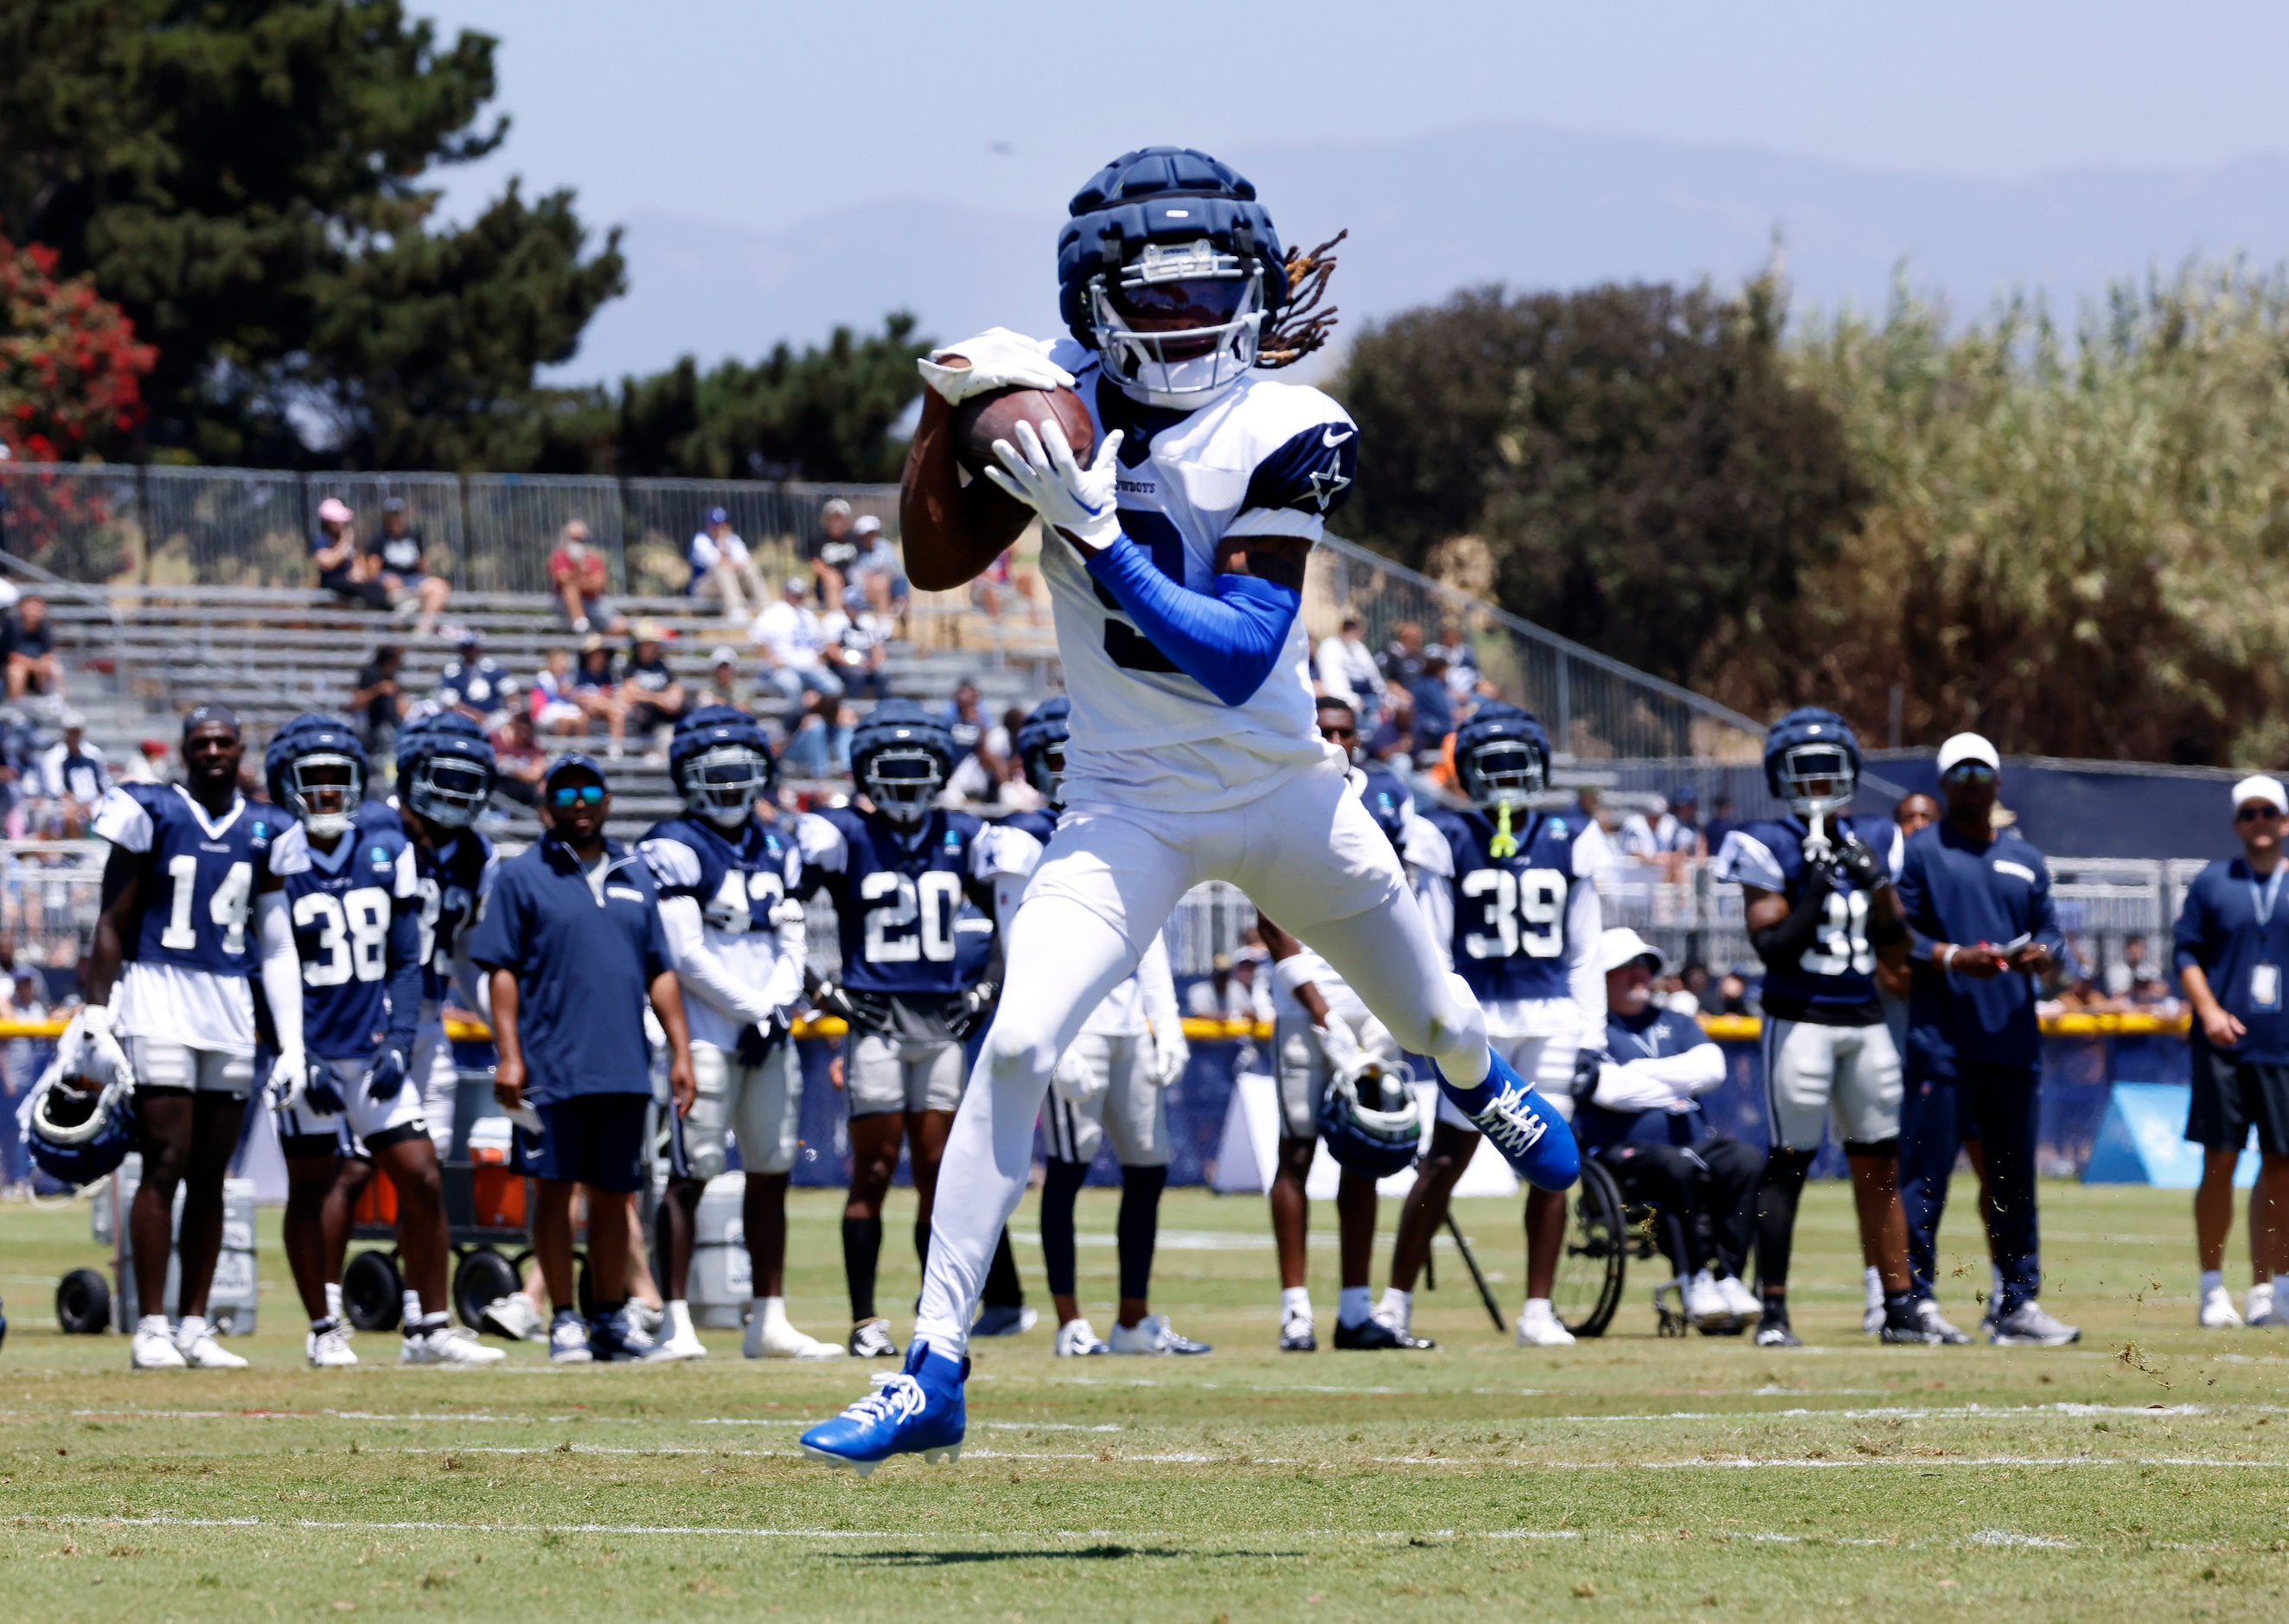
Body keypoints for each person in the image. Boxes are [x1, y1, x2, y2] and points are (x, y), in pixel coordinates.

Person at [800, 149, 1576, 1474]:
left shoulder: (1290, 424)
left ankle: (1477, 1077)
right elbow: (932, 565)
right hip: (1123, 805)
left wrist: (1095, 538)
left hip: (1282, 793)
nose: (1175, 322)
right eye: (1146, 300)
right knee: (1013, 1044)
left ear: (1254, 289)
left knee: (1439, 1015)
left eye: (1205, 291)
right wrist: (945, 414)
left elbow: (1233, 649)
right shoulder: (1053, 393)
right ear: (1091, 301)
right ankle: (932, 1366)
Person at [261, 715, 500, 1369]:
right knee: (317, 1184)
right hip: (312, 1047)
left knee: (421, 1176)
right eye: (315, 782)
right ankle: (323, 1325)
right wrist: (290, 1050)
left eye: (340, 781)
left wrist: (397, 1039)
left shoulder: (387, 845)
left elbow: (407, 958)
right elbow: (271, 960)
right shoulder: (278, 852)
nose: (329, 793)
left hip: (378, 1041)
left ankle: (427, 1327)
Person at [796, 702, 1027, 1359]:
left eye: (914, 772)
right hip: (873, 1019)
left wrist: (986, 988)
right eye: (889, 773)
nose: (902, 786)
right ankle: (864, 1318)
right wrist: (820, 988)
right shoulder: (844, 834)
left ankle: (935, 1317)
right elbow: (784, 902)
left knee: (937, 1174)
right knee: (869, 1172)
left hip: (941, 1021)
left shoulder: (962, 833)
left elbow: (1015, 919)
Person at [1378, 704, 1603, 1349]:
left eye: (1514, 759)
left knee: (1553, 1164)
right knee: (1447, 1159)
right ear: (1467, 770)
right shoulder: (1443, 833)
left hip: (1552, 1017)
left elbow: (1585, 950)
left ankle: (1538, 1308)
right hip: (1479, 1020)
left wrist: (1590, 1035)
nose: (1503, 773)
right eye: (1491, 761)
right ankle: (1395, 1303)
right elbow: (1434, 944)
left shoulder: (1571, 834)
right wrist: (1447, 1022)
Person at [87, 704, 300, 1370]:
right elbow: (111, 920)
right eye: (201, 741)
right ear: (185, 750)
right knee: (165, 1159)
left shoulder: (267, 826)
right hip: (159, 991)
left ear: (243, 749)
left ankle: (195, 1325)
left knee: (213, 1172)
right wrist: (99, 1010)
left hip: (230, 1001)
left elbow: (276, 941)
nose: (213, 750)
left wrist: (291, 1041)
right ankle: (151, 1323)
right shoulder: (151, 810)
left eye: (224, 741)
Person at [1710, 709, 1931, 1348]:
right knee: (1788, 1166)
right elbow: (1773, 946)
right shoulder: (1765, 841)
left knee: (1879, 1167)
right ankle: (1774, 1312)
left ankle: (1897, 1306)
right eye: (1802, 770)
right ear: (1780, 775)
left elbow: (1896, 951)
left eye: (1826, 767)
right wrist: (1813, 888)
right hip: (1798, 1017)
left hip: (1863, 1021)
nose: (1815, 781)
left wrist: (1878, 883)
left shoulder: (1875, 836)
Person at [466, 754, 695, 1364]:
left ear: (607, 800)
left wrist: (681, 1052)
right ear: (547, 807)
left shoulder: (633, 872)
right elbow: (502, 974)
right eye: (565, 794)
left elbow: (661, 971)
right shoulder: (522, 876)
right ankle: (562, 1318)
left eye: (589, 790)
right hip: (550, 1067)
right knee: (553, 1189)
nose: (579, 802)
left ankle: (605, 1319)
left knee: (615, 1195)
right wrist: (509, 1055)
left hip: (622, 1065)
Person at [988, 699, 1200, 1357]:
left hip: (1126, 1020)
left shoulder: (1119, 820)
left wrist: (1165, 1019)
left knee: (1148, 1170)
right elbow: (1015, 942)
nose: (1071, 768)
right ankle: (1069, 1320)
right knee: (1070, 1170)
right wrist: (1050, 1037)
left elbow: (1150, 930)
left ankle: (1133, 1319)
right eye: (1058, 758)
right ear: (1035, 766)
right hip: (1071, 1025)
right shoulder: (1019, 837)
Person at [639, 707, 841, 1360]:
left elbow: (793, 939)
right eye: (716, 776)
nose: (729, 788)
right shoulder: (674, 843)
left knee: (771, 1170)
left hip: (765, 1029)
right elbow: (685, 953)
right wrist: (756, 1007)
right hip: (705, 1035)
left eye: (740, 775)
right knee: (691, 1173)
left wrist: (773, 1008)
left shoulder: (775, 843)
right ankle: (676, 1321)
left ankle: (769, 1319)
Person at [1885, 732, 2080, 1347]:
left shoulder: (2024, 858)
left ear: (1997, 782)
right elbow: (1895, 937)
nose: (1971, 782)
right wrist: (1949, 957)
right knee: (1925, 1179)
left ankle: (2016, 1304)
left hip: (2010, 1046)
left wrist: (2043, 957)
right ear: (1943, 786)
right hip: (1940, 1046)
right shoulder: (1920, 853)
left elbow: (2051, 934)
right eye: (1959, 773)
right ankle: (1913, 1306)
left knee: (2012, 1182)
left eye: (1981, 772)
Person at [1258, 697, 1429, 1352]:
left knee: (1368, 1150)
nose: (1332, 740)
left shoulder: (1388, 800)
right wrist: (1322, 1013)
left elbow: (1411, 900)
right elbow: (1268, 918)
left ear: (1358, 738)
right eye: (1321, 731)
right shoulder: (1279, 796)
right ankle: (1295, 1310)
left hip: (1375, 988)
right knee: (1297, 1148)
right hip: (1311, 990)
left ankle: (1355, 1309)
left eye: (1342, 732)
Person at [1577, 927, 1760, 1328]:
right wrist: (1676, 1080)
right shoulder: (1589, 1030)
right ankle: (1694, 1278)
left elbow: (1712, 1069)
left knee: (1745, 1160)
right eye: (1625, 967)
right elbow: (1606, 1090)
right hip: (1620, 1156)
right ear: (1600, 978)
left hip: (1691, 1144)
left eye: (1644, 965)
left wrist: (1637, 1076)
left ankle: (1728, 1277)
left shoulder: (1676, 1021)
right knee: (1675, 1166)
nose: (1639, 974)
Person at [2171, 773, 2289, 1330]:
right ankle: (2212, 1290)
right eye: (2249, 813)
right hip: (2224, 1046)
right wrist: (2210, 1011)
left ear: (2285, 821)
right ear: (2237, 824)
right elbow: (2186, 954)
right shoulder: (2213, 883)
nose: (2259, 821)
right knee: (2219, 1162)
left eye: (2269, 811)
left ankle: (2275, 1288)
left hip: (2283, 1048)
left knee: (2283, 1167)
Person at [390, 714, 500, 1160]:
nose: (456, 792)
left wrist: (506, 1030)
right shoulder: (379, 833)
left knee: (429, 1162)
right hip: (366, 1015)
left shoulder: (477, 854)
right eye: (446, 777)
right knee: (354, 1164)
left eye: (467, 780)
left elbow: (468, 955)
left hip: (430, 1017)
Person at [361, 498, 451, 636]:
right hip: (391, 582)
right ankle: (403, 616)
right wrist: (385, 579)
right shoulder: (379, 539)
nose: (394, 519)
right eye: (391, 515)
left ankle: (423, 629)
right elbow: (373, 571)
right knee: (392, 584)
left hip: (413, 580)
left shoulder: (414, 535)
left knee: (439, 587)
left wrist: (428, 576)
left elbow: (422, 564)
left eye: (397, 514)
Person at [752, 577, 844, 707]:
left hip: (811, 668)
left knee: (834, 687)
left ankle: (819, 718)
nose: (797, 597)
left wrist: (818, 661)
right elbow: (759, 639)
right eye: (794, 593)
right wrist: (771, 659)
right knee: (792, 686)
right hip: (785, 668)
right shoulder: (773, 612)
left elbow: (819, 644)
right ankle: (796, 721)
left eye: (800, 594)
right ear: (786, 593)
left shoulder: (808, 615)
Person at [619, 620, 689, 753]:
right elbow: (631, 692)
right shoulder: (631, 666)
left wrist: (675, 698)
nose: (650, 648)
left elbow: (674, 685)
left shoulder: (660, 664)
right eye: (646, 644)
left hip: (664, 705)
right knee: (645, 711)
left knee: (687, 707)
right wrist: (657, 698)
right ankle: (649, 750)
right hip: (646, 707)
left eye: (651, 644)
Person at [549, 521, 626, 636]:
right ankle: (579, 621)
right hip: (564, 604)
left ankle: (596, 641)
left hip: (592, 602)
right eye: (573, 539)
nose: (576, 543)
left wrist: (575, 579)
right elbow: (563, 580)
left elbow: (598, 584)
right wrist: (579, 570)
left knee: (622, 625)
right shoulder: (559, 555)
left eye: (580, 539)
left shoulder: (593, 557)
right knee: (570, 590)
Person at [311, 499, 390, 611]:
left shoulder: (347, 541)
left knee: (376, 588)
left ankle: (388, 616)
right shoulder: (321, 540)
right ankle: (386, 615)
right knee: (369, 593)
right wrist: (343, 544)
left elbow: (357, 560)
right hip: (333, 582)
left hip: (350, 582)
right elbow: (327, 563)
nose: (342, 524)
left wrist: (359, 573)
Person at [689, 507, 765, 620]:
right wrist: (721, 542)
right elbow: (718, 563)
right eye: (715, 526)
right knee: (723, 570)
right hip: (703, 587)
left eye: (723, 525)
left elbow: (745, 562)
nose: (720, 529)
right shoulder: (701, 540)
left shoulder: (734, 539)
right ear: (708, 526)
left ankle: (765, 607)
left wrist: (733, 562)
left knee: (751, 568)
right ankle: (736, 609)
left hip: (731, 584)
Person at [36, 712, 105, 835]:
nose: (74, 735)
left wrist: (93, 803)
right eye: (71, 731)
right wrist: (78, 805)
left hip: (93, 800)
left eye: (77, 731)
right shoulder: (54, 757)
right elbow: (56, 790)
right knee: (69, 814)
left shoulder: (94, 754)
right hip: (66, 803)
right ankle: (78, 851)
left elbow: (103, 785)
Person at [435, 628, 515, 728]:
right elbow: (452, 703)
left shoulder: (493, 668)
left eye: (471, 648)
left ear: (478, 649)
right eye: (466, 649)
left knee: (505, 719)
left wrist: (513, 711)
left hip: (492, 716)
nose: (469, 652)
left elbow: (510, 692)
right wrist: (473, 714)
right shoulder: (452, 673)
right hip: (464, 717)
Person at [1314, 613, 1384, 715]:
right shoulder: (1330, 647)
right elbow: (1333, 682)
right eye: (1349, 628)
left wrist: (1384, 698)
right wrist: (1352, 700)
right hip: (1347, 701)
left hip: (1368, 698)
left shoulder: (1359, 648)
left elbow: (1375, 677)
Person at [572, 634, 629, 755]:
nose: (599, 658)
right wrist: (601, 700)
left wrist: (601, 701)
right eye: (595, 654)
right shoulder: (580, 675)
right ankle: (581, 750)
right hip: (586, 709)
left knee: (617, 714)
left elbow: (617, 695)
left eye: (601, 654)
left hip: (605, 710)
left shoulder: (610, 675)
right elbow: (579, 697)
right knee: (585, 713)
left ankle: (615, 749)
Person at [348, 645, 407, 762]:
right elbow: (356, 702)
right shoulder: (370, 673)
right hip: (367, 725)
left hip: (385, 726)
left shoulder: (391, 676)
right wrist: (378, 689)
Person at [847, 515, 909, 614]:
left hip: (889, 584)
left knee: (889, 583)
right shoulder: (855, 552)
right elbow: (854, 575)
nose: (869, 537)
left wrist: (881, 577)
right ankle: (885, 618)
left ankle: (897, 605)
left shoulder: (885, 546)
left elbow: (896, 570)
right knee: (880, 587)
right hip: (866, 589)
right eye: (865, 534)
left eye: (871, 533)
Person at [5, 591, 62, 697]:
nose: (33, 612)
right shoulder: (12, 626)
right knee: (16, 673)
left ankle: (55, 703)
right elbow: (12, 657)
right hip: (16, 665)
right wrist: (35, 666)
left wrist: (42, 665)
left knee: (55, 669)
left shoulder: (45, 626)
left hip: (37, 665)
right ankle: (15, 706)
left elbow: (48, 653)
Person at [486, 711, 548, 809]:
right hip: (500, 787)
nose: (524, 734)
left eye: (528, 731)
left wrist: (512, 768)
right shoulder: (495, 741)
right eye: (521, 729)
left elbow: (535, 774)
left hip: (524, 790)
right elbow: (493, 763)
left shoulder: (532, 747)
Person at [809, 497, 860, 608]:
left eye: (840, 518)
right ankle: (837, 620)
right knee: (833, 582)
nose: (837, 522)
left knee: (878, 582)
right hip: (829, 585)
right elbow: (816, 564)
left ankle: (882, 621)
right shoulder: (819, 540)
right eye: (833, 519)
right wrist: (830, 574)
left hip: (854, 582)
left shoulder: (855, 539)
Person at [529, 648, 587, 738]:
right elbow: (547, 699)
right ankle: (558, 749)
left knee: (582, 718)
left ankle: (580, 748)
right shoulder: (544, 677)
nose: (562, 665)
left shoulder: (563, 678)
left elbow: (568, 697)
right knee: (563, 721)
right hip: (546, 710)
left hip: (560, 707)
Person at [2107, 935, 2162, 1001]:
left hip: (2149, 1002)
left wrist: (2149, 988)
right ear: (2126, 949)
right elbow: (2116, 996)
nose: (2135, 951)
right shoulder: (2116, 970)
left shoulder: (2151, 969)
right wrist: (2135, 989)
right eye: (2132, 947)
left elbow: (2161, 991)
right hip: (2128, 1004)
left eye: (2138, 947)